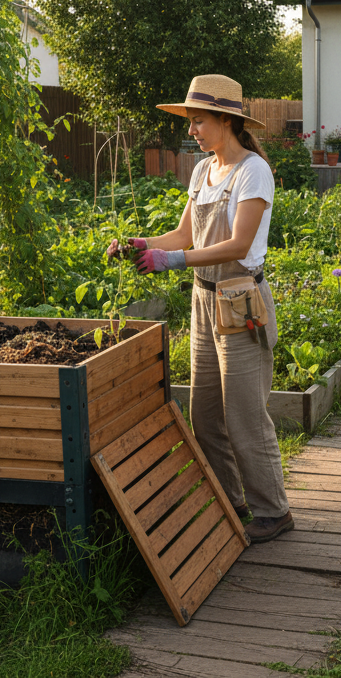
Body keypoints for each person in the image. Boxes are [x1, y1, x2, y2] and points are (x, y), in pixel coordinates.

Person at [107, 75, 293, 543]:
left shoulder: (253, 171)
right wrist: (140, 245)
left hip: (238, 300)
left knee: (244, 414)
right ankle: (233, 502)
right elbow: (183, 237)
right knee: (205, 414)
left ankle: (274, 511)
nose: (191, 130)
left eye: (199, 121)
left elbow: (239, 242)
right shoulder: (201, 171)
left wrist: (171, 260)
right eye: (190, 122)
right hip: (203, 299)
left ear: (226, 119)